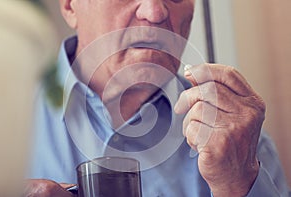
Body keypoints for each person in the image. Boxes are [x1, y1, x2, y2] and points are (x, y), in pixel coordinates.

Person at [25, 0, 290, 196]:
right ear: (70, 6)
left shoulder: (239, 145)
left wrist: (236, 185)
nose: (155, 12)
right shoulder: (1, 110)